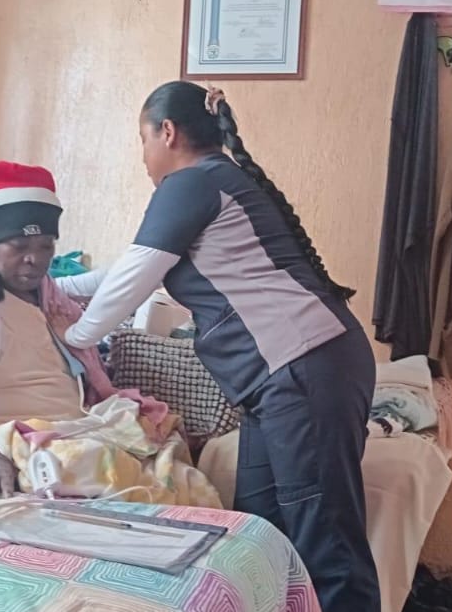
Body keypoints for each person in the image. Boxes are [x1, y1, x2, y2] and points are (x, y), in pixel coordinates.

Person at [62, 81, 380, 612]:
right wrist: (54, 289)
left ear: (167, 132)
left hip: (304, 366)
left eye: (143, 140)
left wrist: (76, 337)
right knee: (259, 532)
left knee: (326, 545)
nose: (143, 157)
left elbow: (135, 276)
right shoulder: (212, 182)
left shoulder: (193, 182)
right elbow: (125, 269)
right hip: (285, 378)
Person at [0, 161, 216, 507]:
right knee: (91, 463)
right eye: (19, 246)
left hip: (77, 425)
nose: (34, 259)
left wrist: (75, 339)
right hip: (10, 432)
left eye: (45, 246)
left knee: (177, 463)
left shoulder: (52, 299)